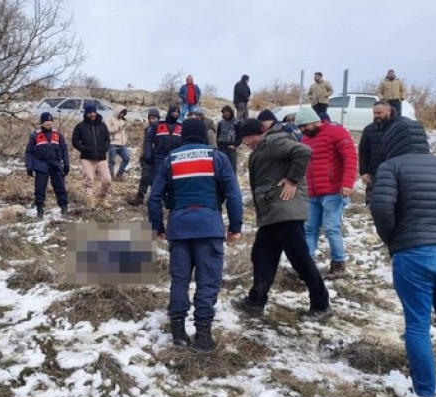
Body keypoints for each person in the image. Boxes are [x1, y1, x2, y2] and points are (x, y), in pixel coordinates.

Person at [148, 118, 243, 352]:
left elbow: (154, 197)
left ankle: (178, 333)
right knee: (207, 281)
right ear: (204, 135)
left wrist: (158, 226)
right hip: (209, 227)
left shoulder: (171, 159)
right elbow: (233, 194)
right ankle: (203, 335)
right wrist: (235, 226)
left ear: (182, 136)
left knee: (179, 280)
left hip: (179, 227)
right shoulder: (217, 157)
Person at [370, 117, 436, 397]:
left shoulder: (392, 166)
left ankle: (424, 394)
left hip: (413, 253)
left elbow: (380, 206)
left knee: (417, 325)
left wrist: (392, 238)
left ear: (392, 141)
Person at [231, 118, 331, 321]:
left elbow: (303, 151)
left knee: (300, 259)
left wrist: (293, 179)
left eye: (246, 139)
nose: (246, 143)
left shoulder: (273, 141)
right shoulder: (264, 146)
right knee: (262, 256)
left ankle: (321, 304)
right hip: (273, 213)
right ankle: (255, 301)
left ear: (254, 134)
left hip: (286, 212)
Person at [296, 106, 357, 279]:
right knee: (309, 229)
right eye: (300, 128)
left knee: (331, 228)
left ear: (313, 120)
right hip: (313, 192)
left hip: (333, 191)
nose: (302, 130)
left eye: (304, 126)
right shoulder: (306, 140)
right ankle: (307, 265)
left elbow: (350, 158)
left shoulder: (337, 132)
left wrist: (347, 183)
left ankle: (338, 264)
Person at [26, 112, 69, 218]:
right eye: (46, 121)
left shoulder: (58, 135)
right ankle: (40, 208)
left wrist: (66, 164)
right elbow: (29, 152)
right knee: (40, 188)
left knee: (60, 186)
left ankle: (63, 206)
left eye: (50, 121)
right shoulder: (35, 135)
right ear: (42, 122)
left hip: (55, 163)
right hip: (41, 164)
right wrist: (29, 167)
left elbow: (64, 150)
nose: (49, 123)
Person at [72, 103, 111, 208]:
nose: (92, 114)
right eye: (90, 112)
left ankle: (101, 199)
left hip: (101, 157)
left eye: (94, 112)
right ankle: (90, 200)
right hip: (87, 158)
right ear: (86, 113)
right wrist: (84, 149)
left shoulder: (102, 125)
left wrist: (105, 148)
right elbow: (75, 141)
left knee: (107, 180)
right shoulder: (80, 126)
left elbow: (108, 139)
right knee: (88, 180)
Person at [358, 100, 398, 205]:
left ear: (389, 111)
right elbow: (363, 152)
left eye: (379, 113)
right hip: (375, 174)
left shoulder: (399, 127)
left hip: (396, 173)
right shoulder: (369, 129)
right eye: (375, 113)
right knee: (374, 205)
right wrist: (364, 172)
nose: (376, 116)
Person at [144, 105, 183, 189]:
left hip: (174, 158)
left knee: (172, 182)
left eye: (177, 115)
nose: (175, 116)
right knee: (156, 180)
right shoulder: (157, 125)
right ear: (169, 113)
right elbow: (148, 140)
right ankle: (154, 199)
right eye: (173, 114)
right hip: (159, 157)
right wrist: (148, 154)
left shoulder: (181, 127)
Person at [128, 108, 160, 206]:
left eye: (153, 118)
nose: (151, 120)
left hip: (157, 158)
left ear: (158, 118)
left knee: (156, 179)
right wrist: (141, 156)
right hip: (146, 157)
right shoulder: (147, 128)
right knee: (145, 177)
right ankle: (140, 198)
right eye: (150, 118)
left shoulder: (161, 129)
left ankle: (156, 199)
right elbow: (144, 143)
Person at [105, 105, 130, 180]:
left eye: (124, 113)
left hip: (122, 144)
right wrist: (117, 129)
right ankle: (111, 176)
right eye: (122, 113)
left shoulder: (123, 120)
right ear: (118, 112)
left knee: (126, 158)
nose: (122, 114)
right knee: (112, 161)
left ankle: (119, 175)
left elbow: (123, 132)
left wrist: (125, 138)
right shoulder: (109, 119)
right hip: (113, 143)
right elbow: (107, 130)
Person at [216, 105, 240, 173]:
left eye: (227, 112)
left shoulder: (236, 122)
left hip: (230, 148)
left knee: (232, 170)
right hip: (221, 148)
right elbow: (218, 135)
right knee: (220, 169)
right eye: (224, 112)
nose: (226, 113)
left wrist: (235, 145)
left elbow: (239, 136)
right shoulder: (220, 123)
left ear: (231, 112)